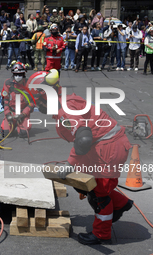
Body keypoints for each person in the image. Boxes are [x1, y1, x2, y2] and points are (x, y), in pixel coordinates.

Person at [37, 89, 133, 246]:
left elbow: (83, 139)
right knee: (87, 185)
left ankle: (101, 234)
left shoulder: (65, 110)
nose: (38, 107)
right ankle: (122, 203)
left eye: (39, 102)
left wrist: (70, 163)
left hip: (108, 149)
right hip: (103, 147)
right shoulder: (65, 103)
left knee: (99, 195)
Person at [1, 62, 34, 138]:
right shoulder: (8, 83)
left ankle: (21, 124)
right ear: (13, 74)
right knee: (6, 133)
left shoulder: (30, 85)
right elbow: (5, 101)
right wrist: (8, 114)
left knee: (23, 133)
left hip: (23, 113)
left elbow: (32, 103)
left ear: (24, 74)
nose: (18, 76)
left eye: (20, 74)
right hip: (11, 112)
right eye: (16, 74)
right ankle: (12, 123)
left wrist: (23, 115)